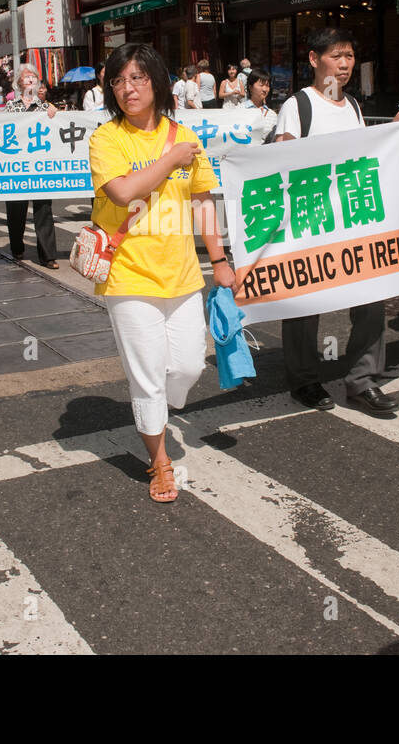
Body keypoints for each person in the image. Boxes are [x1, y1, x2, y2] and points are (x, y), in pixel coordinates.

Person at [89, 42, 234, 502]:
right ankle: (160, 461)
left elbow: (202, 201)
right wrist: (171, 160)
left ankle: (154, 409)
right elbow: (121, 191)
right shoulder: (106, 139)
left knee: (189, 365)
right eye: (118, 81)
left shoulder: (183, 135)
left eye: (137, 78)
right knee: (147, 375)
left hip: (184, 276)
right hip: (128, 277)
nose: (127, 88)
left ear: (156, 81)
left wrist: (221, 262)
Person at [274, 27, 399, 414]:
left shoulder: (352, 106)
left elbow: (365, 156)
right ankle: (304, 380)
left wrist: (395, 127)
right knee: (306, 302)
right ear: (314, 60)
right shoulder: (298, 105)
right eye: (336, 55)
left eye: (350, 56)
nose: (345, 63)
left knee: (370, 299)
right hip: (311, 220)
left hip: (354, 218)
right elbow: (281, 164)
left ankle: (362, 380)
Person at [4, 63, 61, 268]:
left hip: (41, 167)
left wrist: (55, 113)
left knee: (43, 209)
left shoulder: (47, 107)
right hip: (16, 166)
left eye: (34, 78)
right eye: (26, 77)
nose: (30, 81)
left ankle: (48, 256)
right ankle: (17, 247)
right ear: (18, 82)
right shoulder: (10, 107)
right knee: (16, 208)